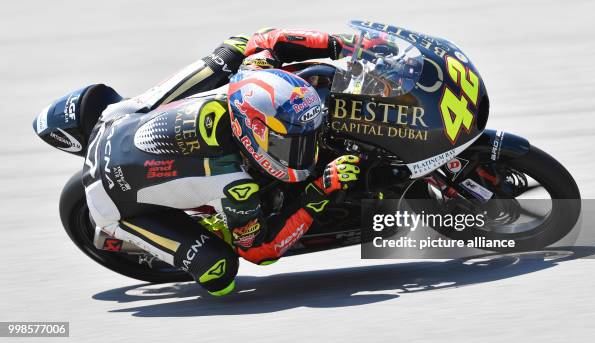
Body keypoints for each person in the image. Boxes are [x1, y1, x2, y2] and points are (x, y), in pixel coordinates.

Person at [34, 28, 369, 296]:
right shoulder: (235, 183)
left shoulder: (250, 76)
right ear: (251, 133)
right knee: (221, 275)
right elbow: (262, 251)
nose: (305, 152)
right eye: (294, 145)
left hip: (116, 119)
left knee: (241, 51)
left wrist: (346, 45)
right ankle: (209, 230)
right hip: (112, 199)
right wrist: (321, 190)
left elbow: (260, 41)